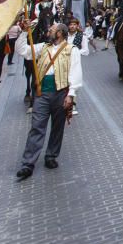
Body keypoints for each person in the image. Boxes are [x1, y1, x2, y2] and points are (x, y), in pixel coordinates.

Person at [15, 23, 82, 180]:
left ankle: (51, 155)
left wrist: (71, 95)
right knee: (37, 127)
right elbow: (22, 50)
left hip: (61, 92)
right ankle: (28, 163)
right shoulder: (42, 47)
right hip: (42, 93)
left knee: (57, 127)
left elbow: (75, 72)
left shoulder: (72, 50)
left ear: (59, 33)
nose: (48, 31)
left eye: (51, 30)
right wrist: (25, 32)